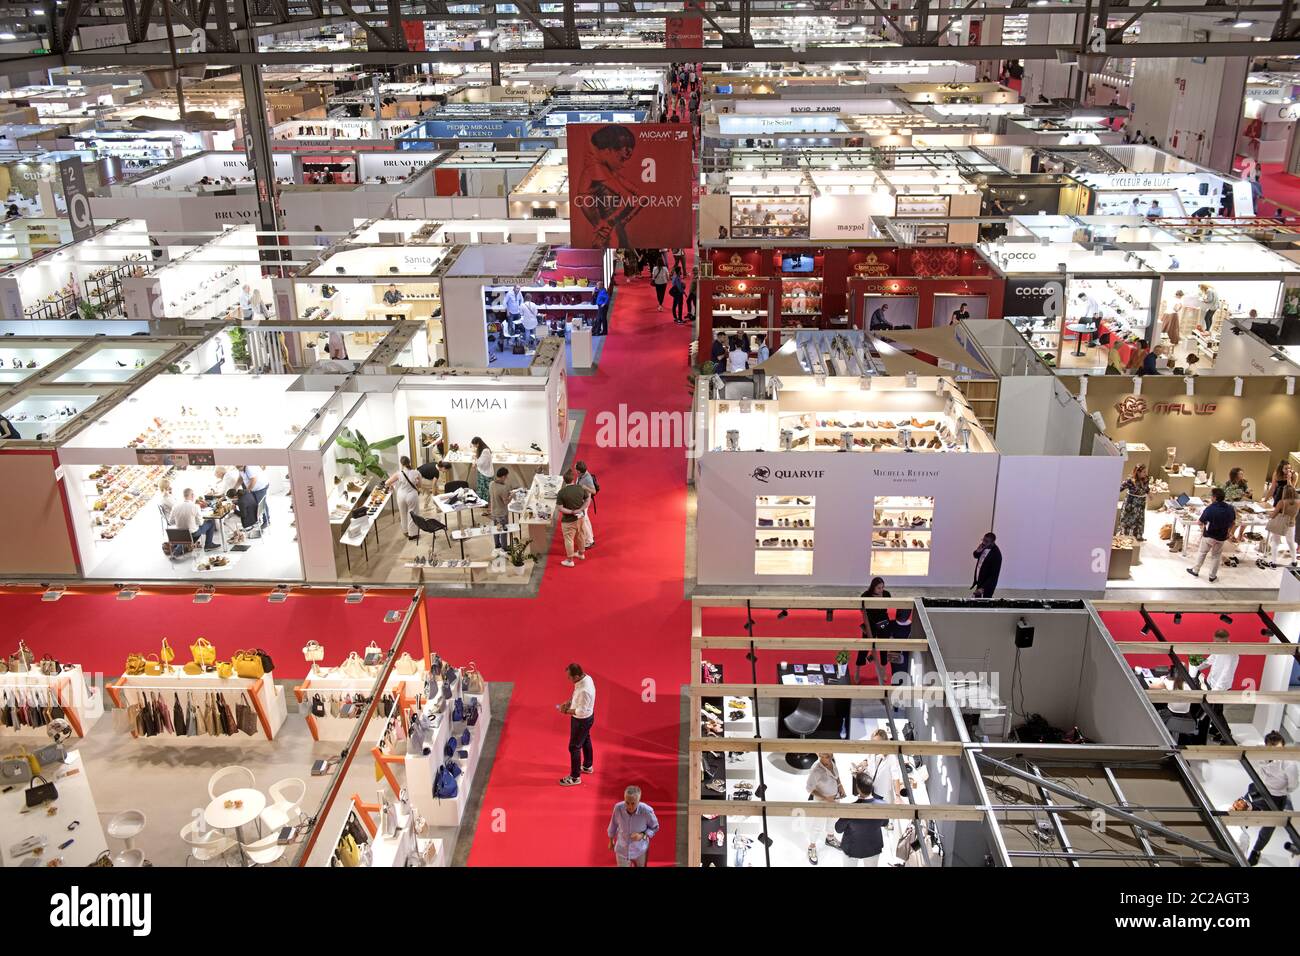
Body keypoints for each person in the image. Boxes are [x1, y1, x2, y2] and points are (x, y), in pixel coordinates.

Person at [1244, 731, 1298, 865]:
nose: (1275, 753)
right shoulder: (1260, 752)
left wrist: (1280, 790)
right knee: (1241, 812)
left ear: (1283, 747)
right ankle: (1234, 839)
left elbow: (1293, 785)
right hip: (1258, 789)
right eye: (1271, 749)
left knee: (1268, 827)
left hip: (1277, 797)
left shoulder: (1289, 764)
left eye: (1278, 750)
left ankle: (1256, 851)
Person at [833, 772, 889, 867]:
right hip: (873, 846)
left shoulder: (851, 809)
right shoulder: (883, 805)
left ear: (858, 789)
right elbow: (885, 823)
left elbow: (838, 829)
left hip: (852, 848)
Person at [1193, 628, 1239, 743]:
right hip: (1211, 682)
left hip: (1221, 687)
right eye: (1215, 641)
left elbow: (1226, 674)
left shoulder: (1231, 654)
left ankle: (1227, 737)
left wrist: (1216, 691)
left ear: (1226, 640)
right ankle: (1216, 730)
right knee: (1215, 711)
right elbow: (1210, 660)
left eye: (1219, 642)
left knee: (1216, 712)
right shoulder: (1217, 647)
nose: (1216, 644)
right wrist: (1196, 665)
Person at [804, 752, 846, 865]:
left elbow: (836, 775)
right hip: (822, 802)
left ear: (831, 755)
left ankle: (830, 838)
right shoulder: (816, 769)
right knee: (818, 825)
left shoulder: (832, 761)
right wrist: (825, 798)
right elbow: (809, 788)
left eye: (826, 756)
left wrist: (840, 785)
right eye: (820, 756)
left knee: (833, 819)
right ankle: (811, 846)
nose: (822, 759)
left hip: (835, 798)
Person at [558, 662, 595, 786]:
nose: (568, 679)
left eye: (570, 677)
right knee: (585, 739)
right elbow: (576, 695)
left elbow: (580, 711)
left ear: (577, 676)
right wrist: (569, 702)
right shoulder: (586, 678)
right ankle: (587, 766)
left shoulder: (585, 690)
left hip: (581, 721)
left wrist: (565, 711)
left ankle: (575, 777)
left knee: (574, 747)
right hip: (587, 718)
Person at [1187, 487, 1235, 582]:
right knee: (1216, 556)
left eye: (1211, 496)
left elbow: (1200, 522)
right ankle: (1212, 576)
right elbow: (1233, 522)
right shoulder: (1230, 508)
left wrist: (1203, 524)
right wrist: (1229, 532)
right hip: (1221, 537)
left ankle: (1195, 570)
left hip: (1209, 535)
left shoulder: (1210, 509)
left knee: (1202, 553)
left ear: (1214, 497)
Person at [607, 785, 659, 867]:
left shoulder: (646, 811)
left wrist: (642, 835)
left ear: (639, 801)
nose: (630, 806)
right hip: (622, 849)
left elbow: (655, 828)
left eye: (633, 803)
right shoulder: (618, 808)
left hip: (640, 850)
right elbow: (613, 825)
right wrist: (611, 840)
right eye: (627, 802)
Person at [856, 577, 890, 684]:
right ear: (873, 587)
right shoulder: (865, 595)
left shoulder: (887, 594)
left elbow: (887, 608)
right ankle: (857, 671)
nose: (881, 590)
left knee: (884, 648)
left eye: (882, 587)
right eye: (879, 588)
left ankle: (883, 671)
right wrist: (867, 625)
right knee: (864, 649)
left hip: (883, 623)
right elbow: (861, 609)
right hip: (870, 623)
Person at [385, 455, 424, 541]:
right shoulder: (416, 473)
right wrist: (416, 482)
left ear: (401, 464)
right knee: (413, 513)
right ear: (409, 462)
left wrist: (391, 486)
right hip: (412, 495)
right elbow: (420, 485)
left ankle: (405, 531)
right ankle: (412, 534)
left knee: (403, 513)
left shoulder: (399, 474)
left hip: (401, 495)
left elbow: (387, 482)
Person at [556, 469, 590, 567]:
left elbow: (560, 508)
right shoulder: (580, 488)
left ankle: (570, 560)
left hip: (568, 521)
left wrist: (571, 512)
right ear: (573, 479)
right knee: (580, 535)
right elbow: (587, 499)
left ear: (564, 480)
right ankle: (581, 554)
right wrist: (581, 509)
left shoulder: (562, 492)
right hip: (581, 518)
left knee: (569, 539)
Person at [1262, 484, 1299, 569]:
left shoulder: (1282, 502)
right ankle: (1294, 561)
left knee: (1275, 542)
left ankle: (1274, 562)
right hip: (1291, 524)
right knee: (1291, 542)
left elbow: (1273, 515)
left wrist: (1267, 513)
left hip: (1280, 524)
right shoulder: (1298, 502)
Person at [1118, 464, 1150, 540]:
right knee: (1128, 519)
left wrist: (1149, 494)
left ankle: (1137, 536)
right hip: (1131, 503)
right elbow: (1120, 488)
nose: (1145, 474)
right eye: (1144, 472)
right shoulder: (1130, 480)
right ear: (1138, 472)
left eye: (1145, 472)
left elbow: (1146, 488)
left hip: (1141, 503)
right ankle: (1125, 535)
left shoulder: (1146, 479)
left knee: (1139, 519)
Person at [487, 466, 516, 550]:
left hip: (494, 511)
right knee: (504, 530)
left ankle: (497, 544)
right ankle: (504, 547)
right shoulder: (503, 488)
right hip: (502, 513)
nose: (507, 478)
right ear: (503, 476)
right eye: (506, 476)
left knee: (496, 529)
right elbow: (506, 502)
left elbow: (495, 495)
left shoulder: (491, 483)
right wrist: (512, 496)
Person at [238, 464, 271, 529]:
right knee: (255, 504)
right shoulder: (240, 468)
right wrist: (234, 488)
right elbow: (241, 478)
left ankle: (266, 521)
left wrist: (247, 490)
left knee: (261, 503)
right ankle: (257, 520)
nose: (237, 467)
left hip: (260, 487)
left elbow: (254, 479)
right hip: (254, 488)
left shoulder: (249, 467)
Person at [971, 532, 1001, 598]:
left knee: (984, 604)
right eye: (983, 540)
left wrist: (983, 588)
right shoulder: (983, 546)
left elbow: (994, 575)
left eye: (986, 541)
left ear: (993, 542)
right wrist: (977, 551)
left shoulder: (996, 555)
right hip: (980, 581)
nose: (984, 542)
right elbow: (975, 555)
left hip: (987, 586)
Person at [576, 460, 598, 550]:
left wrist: (585, 487)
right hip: (583, 500)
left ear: (579, 471)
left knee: (583, 521)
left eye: (575, 469)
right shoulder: (582, 475)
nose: (574, 470)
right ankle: (591, 537)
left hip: (584, 502)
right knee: (586, 519)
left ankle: (589, 541)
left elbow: (594, 491)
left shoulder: (587, 479)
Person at [469, 437, 492, 502]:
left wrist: (475, 461)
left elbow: (481, 463)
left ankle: (485, 503)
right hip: (482, 471)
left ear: (478, 443)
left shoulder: (485, 451)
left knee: (485, 489)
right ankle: (481, 501)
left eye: (474, 445)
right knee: (481, 488)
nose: (474, 446)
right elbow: (479, 459)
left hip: (486, 473)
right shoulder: (482, 449)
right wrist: (476, 459)